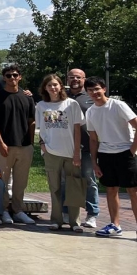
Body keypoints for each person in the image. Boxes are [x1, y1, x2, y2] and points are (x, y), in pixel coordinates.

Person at [84, 77, 137, 237]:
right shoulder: (91, 111)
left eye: (97, 89)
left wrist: (132, 150)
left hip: (125, 153)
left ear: (104, 89)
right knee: (111, 189)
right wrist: (95, 162)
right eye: (90, 90)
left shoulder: (118, 105)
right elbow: (93, 139)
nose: (94, 93)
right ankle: (115, 225)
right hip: (105, 154)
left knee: (133, 190)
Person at [0, 64, 37, 224]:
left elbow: (31, 121)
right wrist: (0, 142)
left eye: (15, 75)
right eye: (8, 76)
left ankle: (18, 210)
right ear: (4, 78)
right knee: (3, 181)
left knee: (21, 182)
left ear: (20, 77)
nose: (12, 78)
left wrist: (30, 144)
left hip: (25, 146)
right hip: (5, 146)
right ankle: (3, 211)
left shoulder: (27, 97)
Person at [36, 74, 86, 232]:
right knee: (55, 188)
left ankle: (75, 222)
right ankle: (56, 220)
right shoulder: (41, 106)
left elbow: (77, 130)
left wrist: (77, 152)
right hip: (51, 152)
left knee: (73, 186)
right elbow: (41, 129)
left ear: (61, 86)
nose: (53, 88)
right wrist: (42, 145)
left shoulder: (71, 104)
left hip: (71, 152)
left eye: (56, 85)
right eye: (49, 85)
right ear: (45, 88)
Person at [66, 68, 99, 228]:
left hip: (87, 147)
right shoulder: (61, 97)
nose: (74, 79)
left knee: (89, 180)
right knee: (66, 180)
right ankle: (66, 213)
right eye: (71, 77)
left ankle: (92, 214)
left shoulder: (91, 97)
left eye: (78, 77)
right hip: (65, 148)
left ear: (84, 79)